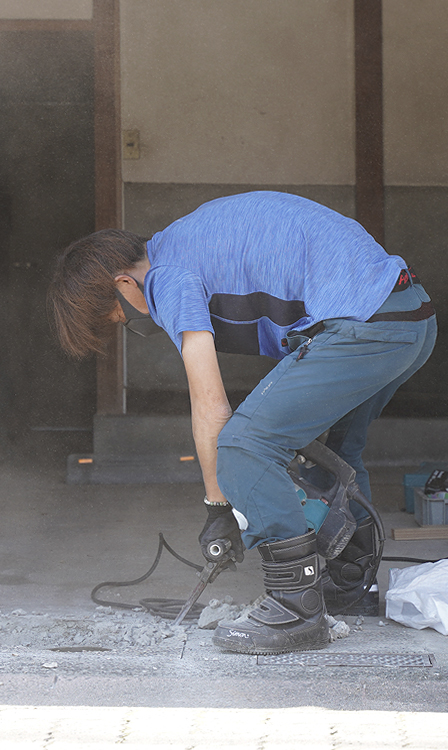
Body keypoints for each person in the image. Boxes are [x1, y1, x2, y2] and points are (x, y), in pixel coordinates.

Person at [49, 191, 437, 655]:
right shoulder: (187, 240)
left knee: (243, 444)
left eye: (120, 318)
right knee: (331, 456)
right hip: (410, 316)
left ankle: (296, 610)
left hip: (365, 326)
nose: (133, 322)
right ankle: (348, 585)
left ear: (125, 284)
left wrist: (218, 507)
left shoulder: (166, 278)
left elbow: (211, 407)